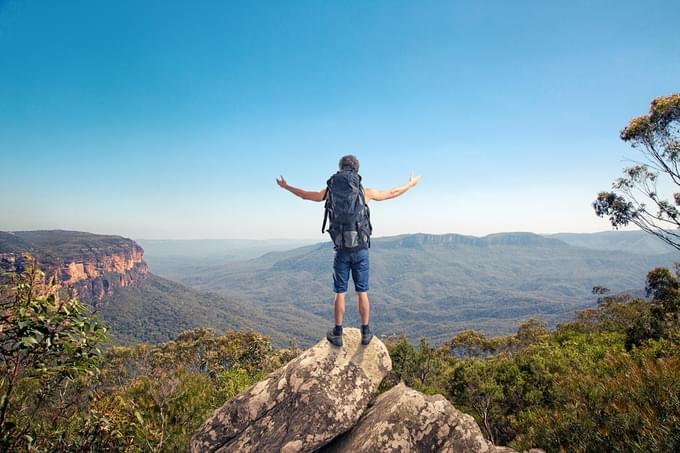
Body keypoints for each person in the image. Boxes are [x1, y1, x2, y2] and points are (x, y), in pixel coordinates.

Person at [276, 155, 420, 347]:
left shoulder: (330, 192)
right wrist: (410, 184)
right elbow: (392, 193)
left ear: (340, 169)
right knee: (362, 292)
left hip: (341, 249)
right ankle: (366, 332)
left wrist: (286, 186)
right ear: (356, 170)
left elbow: (305, 195)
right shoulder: (364, 192)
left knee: (340, 293)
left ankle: (337, 332)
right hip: (361, 249)